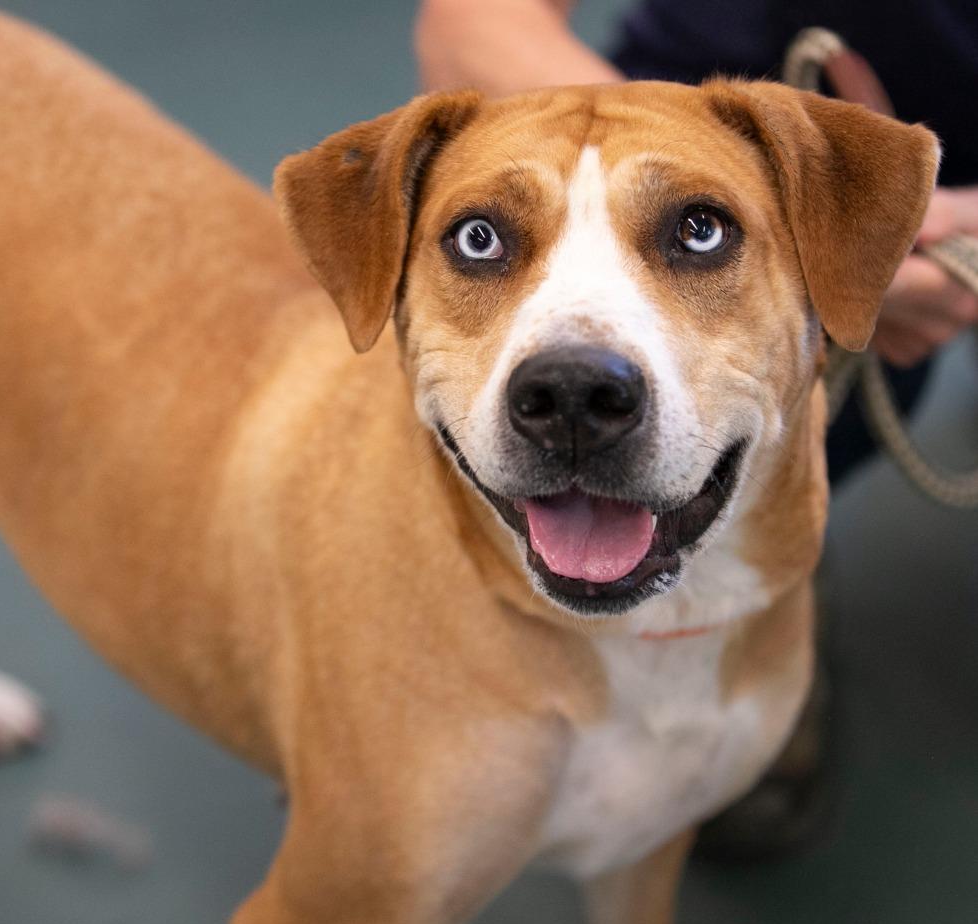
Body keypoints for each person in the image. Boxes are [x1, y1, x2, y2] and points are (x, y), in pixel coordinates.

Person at [414, 0, 978, 856]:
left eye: (696, 229)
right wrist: (683, 167)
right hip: (728, 128)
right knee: (821, 408)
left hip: (875, 197)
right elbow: (469, 20)